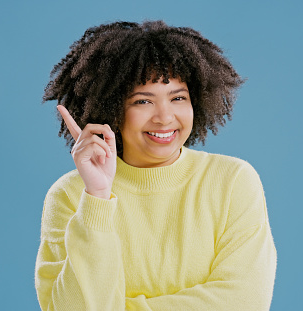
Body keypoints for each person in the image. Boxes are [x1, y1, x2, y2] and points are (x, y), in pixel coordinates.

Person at [35, 20, 276, 310]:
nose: (164, 117)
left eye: (178, 97)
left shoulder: (233, 181)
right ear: (111, 108)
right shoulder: (70, 196)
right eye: (143, 102)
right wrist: (97, 199)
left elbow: (245, 301)